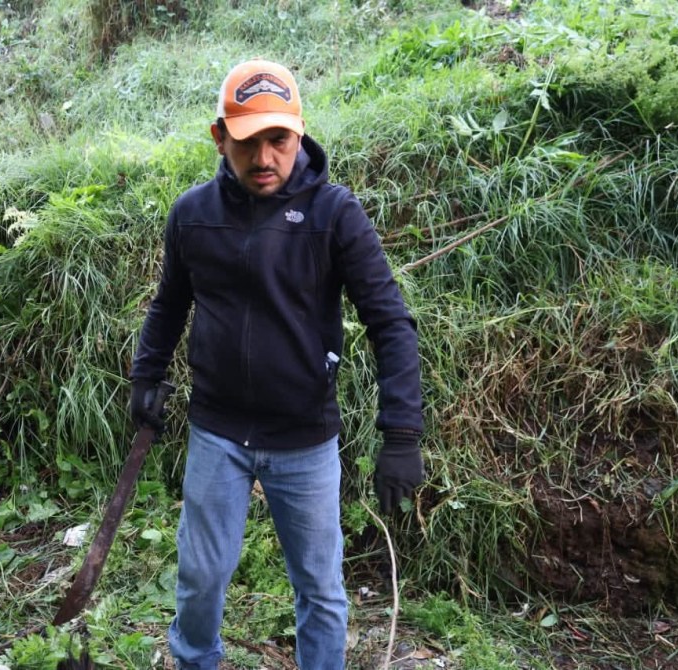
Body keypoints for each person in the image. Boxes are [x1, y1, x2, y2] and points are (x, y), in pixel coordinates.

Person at [129, 59, 425, 670]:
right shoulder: (192, 214)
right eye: (248, 142)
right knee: (201, 577)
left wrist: (402, 433)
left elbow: (390, 322)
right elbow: (169, 303)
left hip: (304, 438)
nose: (265, 158)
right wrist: (146, 375)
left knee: (320, 587)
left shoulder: (334, 214)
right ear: (220, 138)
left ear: (299, 133)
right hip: (218, 431)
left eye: (279, 140)